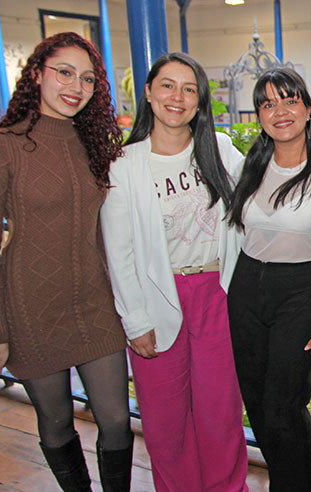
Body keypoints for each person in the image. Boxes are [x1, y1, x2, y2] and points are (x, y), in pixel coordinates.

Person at [0, 32, 133, 491]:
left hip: (95, 304)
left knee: (117, 420)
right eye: (65, 72)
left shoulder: (94, 143)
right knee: (57, 422)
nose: (76, 87)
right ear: (37, 74)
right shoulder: (0, 146)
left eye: (87, 79)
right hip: (31, 308)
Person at [100, 52, 248, 492]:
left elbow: (261, 190)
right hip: (156, 296)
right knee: (165, 419)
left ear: (200, 101)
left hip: (216, 293)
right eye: (167, 85)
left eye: (189, 89)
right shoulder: (124, 164)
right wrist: (135, 320)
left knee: (221, 410)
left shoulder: (219, 149)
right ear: (148, 92)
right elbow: (118, 251)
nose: (177, 97)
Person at [225, 67, 311, 492]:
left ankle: (307, 484)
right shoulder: (250, 165)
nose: (279, 111)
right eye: (268, 104)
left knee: (285, 404)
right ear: (259, 115)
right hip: (246, 287)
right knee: (257, 402)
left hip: (297, 289)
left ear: (308, 109)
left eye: (290, 100)